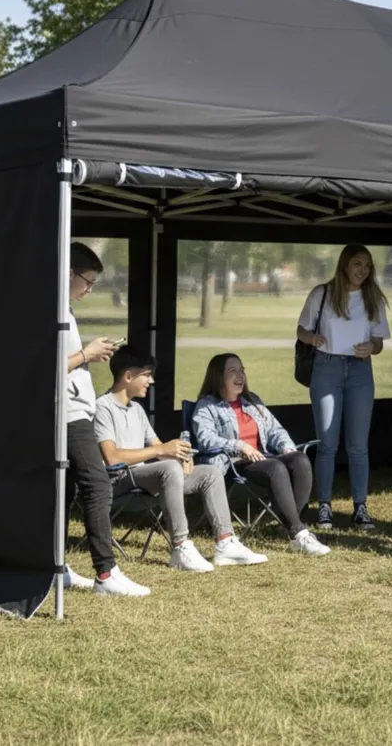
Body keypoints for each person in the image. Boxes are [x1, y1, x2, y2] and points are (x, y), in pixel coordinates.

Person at [94, 346, 268, 570]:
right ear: (128, 376)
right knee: (167, 468)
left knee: (210, 473)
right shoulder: (103, 407)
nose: (151, 381)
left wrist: (179, 455)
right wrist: (163, 453)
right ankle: (181, 546)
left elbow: (158, 446)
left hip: (143, 476)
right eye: (146, 375)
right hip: (117, 479)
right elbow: (112, 457)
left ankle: (225, 543)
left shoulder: (136, 409)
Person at [63, 242, 151, 597]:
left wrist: (87, 356)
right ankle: (105, 573)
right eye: (88, 281)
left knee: (64, 491)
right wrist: (86, 353)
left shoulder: (64, 308)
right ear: (69, 274)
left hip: (75, 409)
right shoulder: (49, 306)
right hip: (68, 414)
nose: (90, 289)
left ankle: (57, 568)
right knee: (97, 485)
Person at [192, 353, 330, 556]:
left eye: (242, 370)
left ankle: (293, 524)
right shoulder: (207, 405)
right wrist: (239, 446)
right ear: (218, 376)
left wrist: (286, 447)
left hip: (261, 457)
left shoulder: (252, 400)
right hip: (232, 462)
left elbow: (275, 430)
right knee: (276, 468)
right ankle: (298, 533)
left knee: (300, 459)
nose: (240, 375)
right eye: (233, 371)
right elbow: (205, 439)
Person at [296, 244, 391, 530]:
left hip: (360, 371)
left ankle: (360, 507)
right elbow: (301, 329)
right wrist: (311, 339)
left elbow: (380, 343)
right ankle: (324, 506)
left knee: (358, 446)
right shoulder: (321, 293)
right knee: (327, 443)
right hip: (326, 368)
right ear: (344, 265)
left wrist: (371, 348)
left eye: (367, 265)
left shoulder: (373, 297)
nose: (362, 270)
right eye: (357, 264)